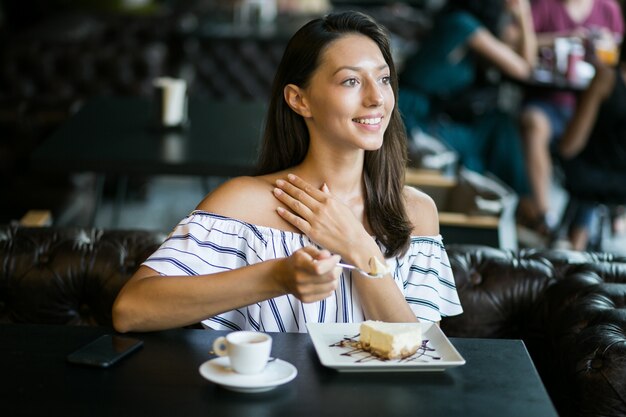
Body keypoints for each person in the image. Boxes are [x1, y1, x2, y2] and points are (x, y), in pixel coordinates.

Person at [112, 11, 463, 333]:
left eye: (384, 79)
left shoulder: (416, 212)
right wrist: (276, 277)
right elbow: (130, 310)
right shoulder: (246, 203)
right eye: (351, 82)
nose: (377, 98)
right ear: (299, 100)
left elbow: (420, 351)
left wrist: (359, 247)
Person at [398, 0, 537, 200]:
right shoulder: (463, 25)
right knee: (497, 129)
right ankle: (524, 206)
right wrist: (524, 14)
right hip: (412, 117)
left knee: (499, 124)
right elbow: (525, 69)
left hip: (430, 113)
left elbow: (518, 47)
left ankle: (521, 205)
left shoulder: (466, 24)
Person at [518, 0, 623, 236]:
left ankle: (579, 235)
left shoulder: (608, 9)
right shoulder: (544, 5)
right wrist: (564, 37)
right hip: (550, 100)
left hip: (590, 106)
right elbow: (519, 40)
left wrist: (604, 50)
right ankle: (546, 218)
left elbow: (617, 55)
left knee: (594, 145)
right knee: (534, 124)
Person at [556, 45, 626, 249]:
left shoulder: (607, 78)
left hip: (592, 178)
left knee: (581, 164)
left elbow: (570, 145)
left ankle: (574, 246)